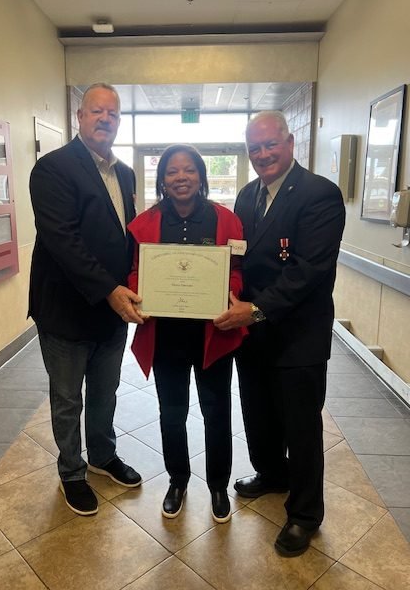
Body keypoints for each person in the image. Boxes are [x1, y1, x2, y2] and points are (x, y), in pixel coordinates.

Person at [215, 111, 345, 556]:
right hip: (253, 334)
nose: (263, 154)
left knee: (301, 427)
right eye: (255, 148)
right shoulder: (248, 195)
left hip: (298, 336)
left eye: (271, 144)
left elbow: (309, 270)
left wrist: (255, 309)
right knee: (259, 415)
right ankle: (271, 473)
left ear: (290, 143)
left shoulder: (319, 194)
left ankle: (305, 513)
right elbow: (237, 258)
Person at [28, 83, 144, 517]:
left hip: (111, 312)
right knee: (67, 398)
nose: (106, 119)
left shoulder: (126, 173)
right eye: (97, 111)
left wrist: (139, 280)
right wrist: (111, 290)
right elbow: (64, 242)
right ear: (80, 117)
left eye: (113, 113)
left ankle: (102, 455)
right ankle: (72, 472)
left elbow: (127, 239)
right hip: (65, 310)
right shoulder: (53, 169)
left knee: (105, 392)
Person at [127, 144, 247, 523]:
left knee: (216, 411)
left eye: (189, 170)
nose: (181, 177)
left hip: (213, 334)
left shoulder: (226, 221)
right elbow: (134, 270)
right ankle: (177, 480)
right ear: (162, 179)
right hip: (166, 337)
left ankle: (217, 486)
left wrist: (233, 293)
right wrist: (139, 292)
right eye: (173, 171)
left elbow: (238, 270)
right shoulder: (143, 224)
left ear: (201, 176)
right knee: (172, 412)